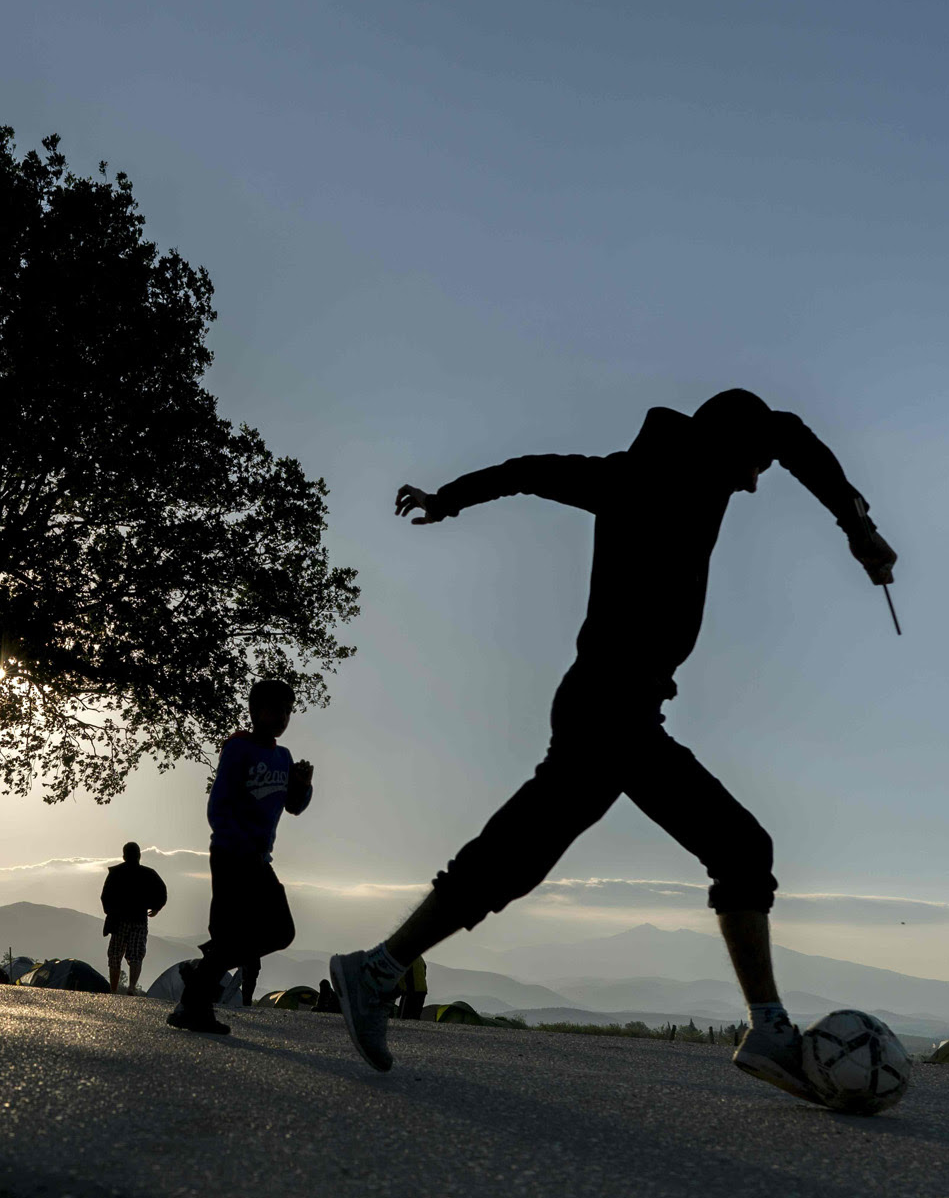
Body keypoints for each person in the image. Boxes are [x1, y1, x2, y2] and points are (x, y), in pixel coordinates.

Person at [328, 390, 897, 1103]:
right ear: (725, 447)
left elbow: (786, 438)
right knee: (740, 847)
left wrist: (858, 527)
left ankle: (378, 969)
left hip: (613, 707)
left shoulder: (662, 472)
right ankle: (769, 1029)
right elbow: (531, 471)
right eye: (753, 466)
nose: (755, 483)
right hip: (612, 707)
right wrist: (449, 499)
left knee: (518, 855)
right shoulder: (642, 479)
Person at [168, 678, 314, 1035]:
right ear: (256, 711)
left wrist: (303, 785)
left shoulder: (283, 757)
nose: (283, 717)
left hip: (259, 860)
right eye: (275, 709)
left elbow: (294, 807)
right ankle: (194, 1008)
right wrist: (239, 845)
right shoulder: (238, 748)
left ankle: (201, 972)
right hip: (231, 855)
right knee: (230, 932)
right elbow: (218, 807)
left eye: (288, 711)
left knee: (280, 931)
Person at [100, 842, 167, 994]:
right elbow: (162, 891)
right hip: (139, 920)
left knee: (115, 955)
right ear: (139, 856)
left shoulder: (116, 873)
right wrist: (156, 908)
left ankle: (113, 990)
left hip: (119, 921)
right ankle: (131, 987)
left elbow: (105, 896)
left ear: (124, 856)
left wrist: (110, 912)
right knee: (136, 955)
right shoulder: (149, 874)